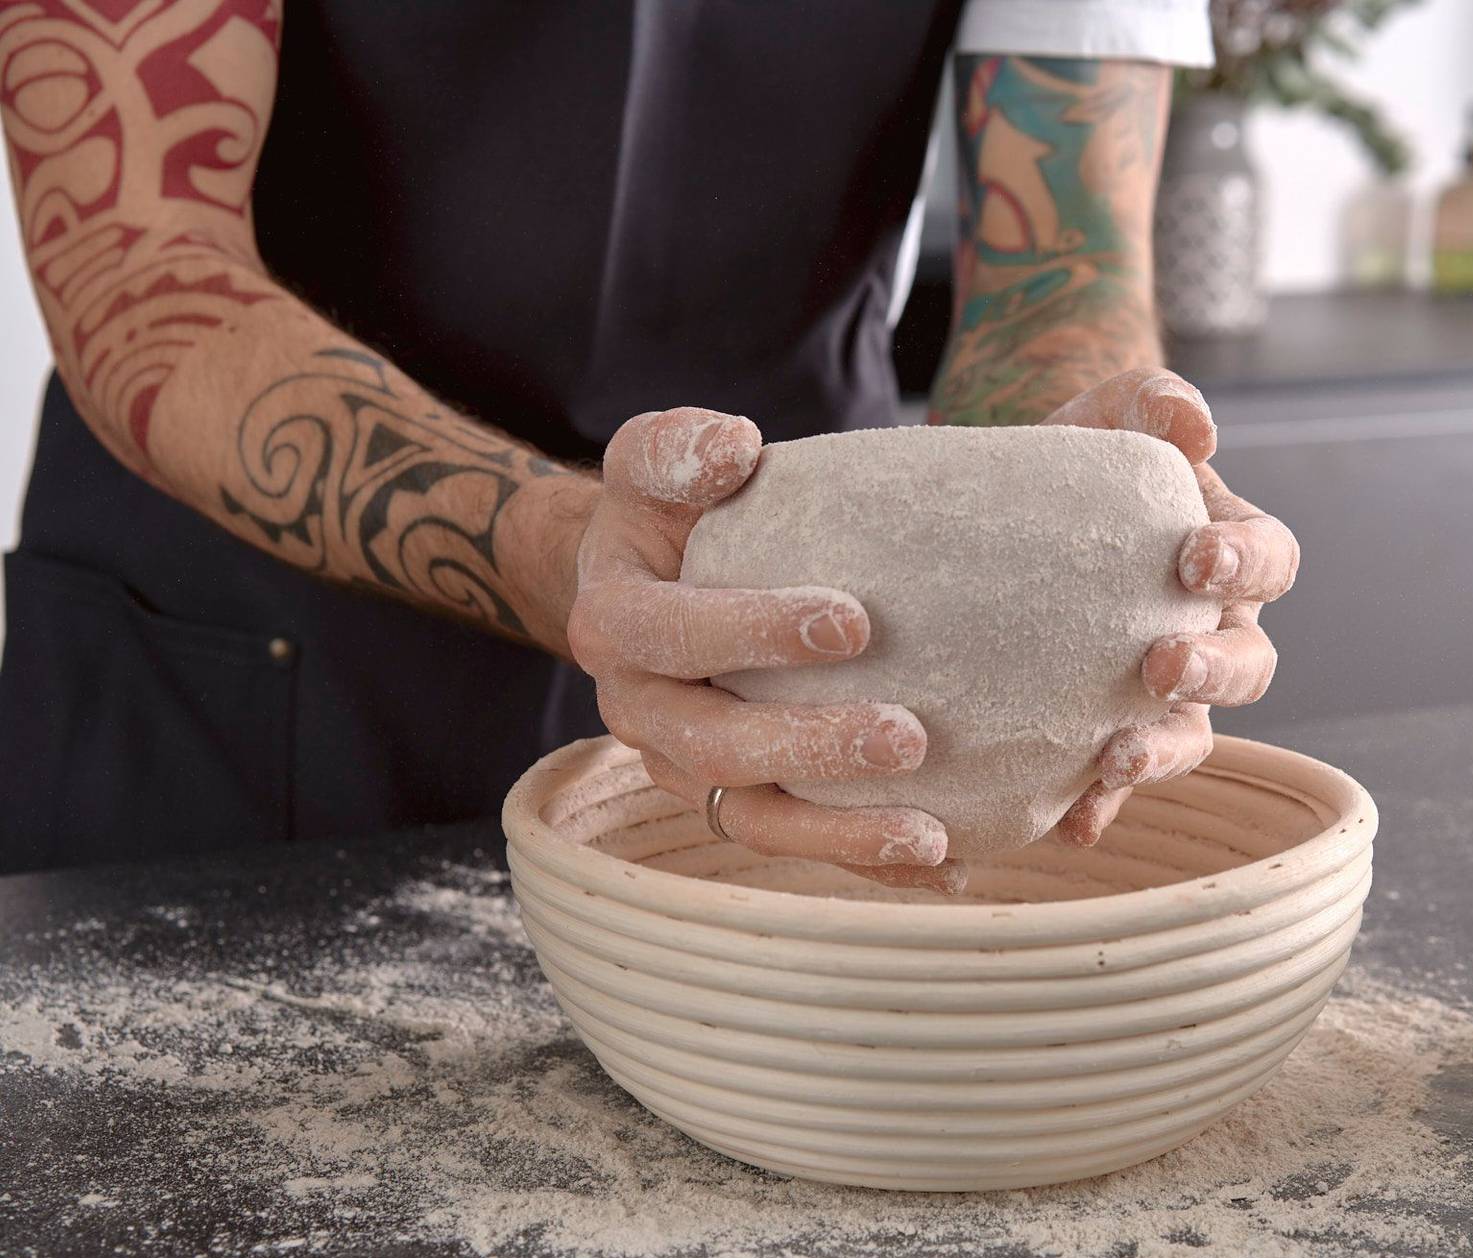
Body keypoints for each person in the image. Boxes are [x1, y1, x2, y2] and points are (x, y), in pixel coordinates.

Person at [0, 0, 1298, 884]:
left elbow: (1059, 263)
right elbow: (141, 270)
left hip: (803, 673)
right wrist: (569, 548)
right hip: (240, 688)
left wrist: (1093, 532)